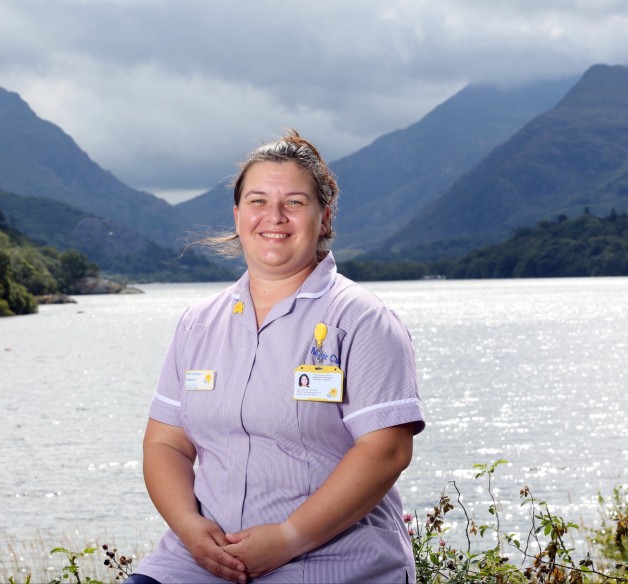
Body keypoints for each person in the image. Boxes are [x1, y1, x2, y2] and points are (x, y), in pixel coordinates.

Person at [128, 130, 425, 583]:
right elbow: (166, 443)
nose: (274, 216)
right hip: (201, 561)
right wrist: (189, 527)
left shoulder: (363, 320)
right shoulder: (197, 324)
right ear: (237, 215)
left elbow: (386, 451)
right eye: (258, 201)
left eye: (294, 202)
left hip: (331, 562)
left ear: (324, 218)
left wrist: (289, 536)